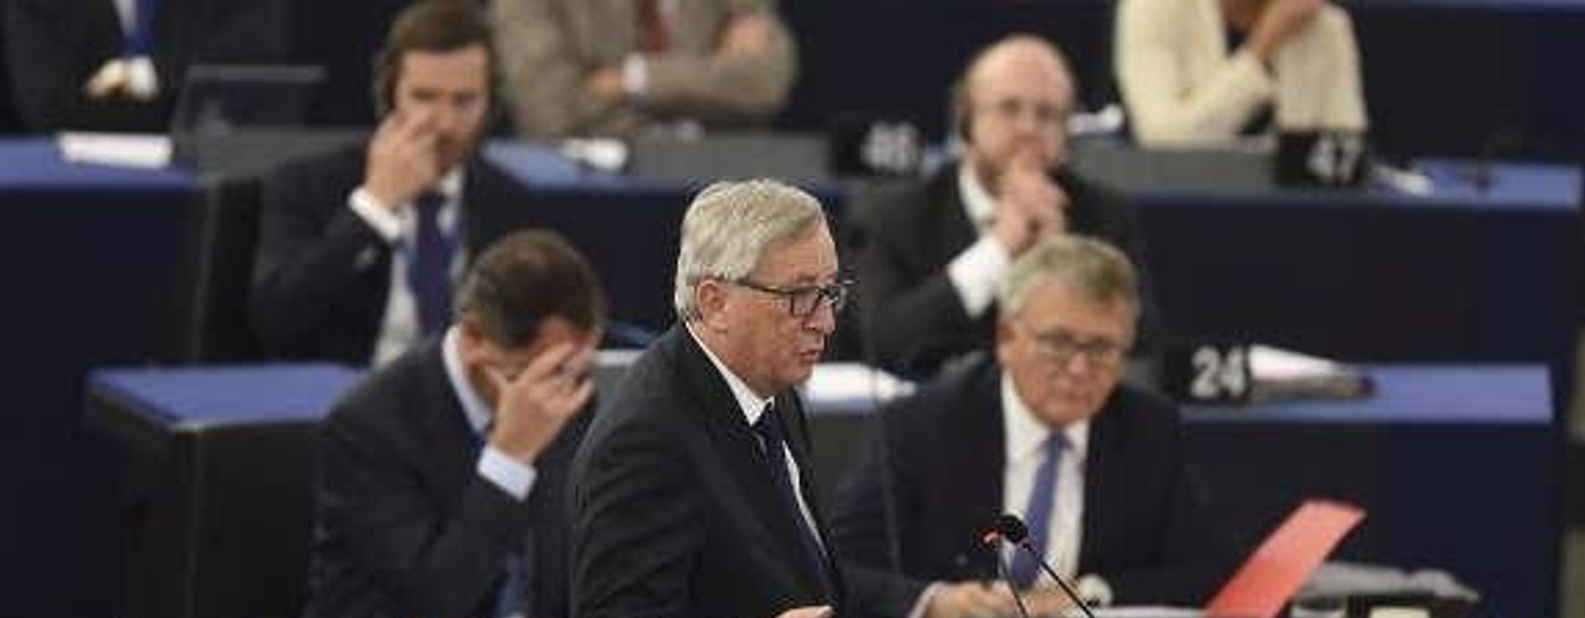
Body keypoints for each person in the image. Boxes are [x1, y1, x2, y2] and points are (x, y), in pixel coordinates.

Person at [534, 180, 920, 618]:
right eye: (798, 296)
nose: (825, 322)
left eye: (830, 292)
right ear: (714, 300)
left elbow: (789, 595)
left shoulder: (770, 391)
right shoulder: (648, 434)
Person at [831, 235, 1238, 618]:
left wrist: (1087, 594)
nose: (1079, 369)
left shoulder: (1147, 428)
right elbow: (839, 567)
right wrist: (931, 603)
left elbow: (1209, 568)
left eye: (1102, 348)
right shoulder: (922, 424)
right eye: (1058, 342)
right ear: (1006, 337)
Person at [305, 229, 602, 618]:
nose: (561, 392)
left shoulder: (574, 396)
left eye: (576, 369)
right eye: (543, 373)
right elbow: (434, 598)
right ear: (475, 337)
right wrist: (509, 458)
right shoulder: (367, 426)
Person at [844, 35, 1153, 379]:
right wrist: (999, 248)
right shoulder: (895, 213)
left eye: (1047, 114)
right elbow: (883, 341)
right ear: (966, 121)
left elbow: (1140, 347)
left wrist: (1060, 260)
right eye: (1009, 109)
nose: (1028, 129)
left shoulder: (1105, 214)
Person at [250, 0, 530, 366]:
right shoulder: (308, 184)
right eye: (424, 97)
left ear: (491, 105)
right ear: (389, 92)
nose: (444, 123)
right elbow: (275, 322)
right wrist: (372, 208)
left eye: (464, 101)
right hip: (345, 393)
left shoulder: (509, 201)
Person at [488, 0, 797, 140]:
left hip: (723, 189)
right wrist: (711, 79)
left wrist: (633, 78)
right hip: (581, 192)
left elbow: (766, 83)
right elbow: (550, 113)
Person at [2, 0, 286, 133]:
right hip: (71, 189)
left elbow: (250, 79)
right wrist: (176, 101)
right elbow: (50, 109)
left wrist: (146, 77)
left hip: (212, 187)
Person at [1114, 0, 1367, 146]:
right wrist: (1260, 49)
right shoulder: (1154, 7)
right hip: (1175, 209)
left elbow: (1344, 159)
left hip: (1295, 214)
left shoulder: (1323, 26)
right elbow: (1163, 141)